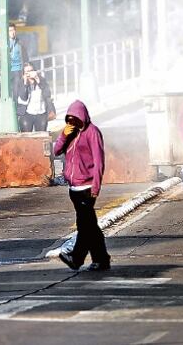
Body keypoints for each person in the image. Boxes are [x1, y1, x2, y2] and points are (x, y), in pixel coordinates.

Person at [53, 100, 110, 272]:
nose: (72, 123)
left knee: (85, 226)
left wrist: (95, 187)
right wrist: (64, 135)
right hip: (74, 188)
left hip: (87, 187)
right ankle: (101, 260)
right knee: (89, 225)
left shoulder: (92, 132)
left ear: (83, 117)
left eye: (75, 119)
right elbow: (56, 151)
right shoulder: (70, 133)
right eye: (69, 120)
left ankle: (76, 258)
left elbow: (99, 161)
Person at [16, 62, 55, 132]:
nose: (29, 73)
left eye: (31, 71)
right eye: (27, 72)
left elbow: (47, 94)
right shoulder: (21, 82)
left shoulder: (41, 80)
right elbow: (23, 98)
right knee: (26, 137)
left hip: (41, 112)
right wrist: (25, 83)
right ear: (23, 74)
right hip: (26, 113)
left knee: (41, 136)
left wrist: (38, 79)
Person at [0, 23, 26, 97]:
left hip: (18, 70)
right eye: (10, 30)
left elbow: (25, 56)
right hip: (6, 71)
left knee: (16, 91)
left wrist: (25, 69)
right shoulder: (2, 42)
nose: (13, 32)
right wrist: (4, 58)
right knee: (4, 92)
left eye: (14, 30)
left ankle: (15, 106)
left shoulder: (20, 42)